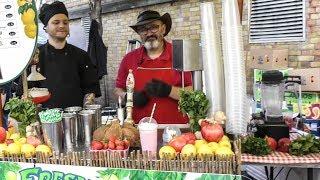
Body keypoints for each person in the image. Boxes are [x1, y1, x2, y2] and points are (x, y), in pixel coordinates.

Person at [115, 10, 192, 124]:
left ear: (163, 29)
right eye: (143, 29)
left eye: (154, 27)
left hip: (176, 130)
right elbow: (118, 90)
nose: (149, 33)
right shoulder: (129, 59)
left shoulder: (179, 54)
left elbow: (192, 93)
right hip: (138, 129)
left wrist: (169, 90)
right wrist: (128, 97)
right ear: (139, 34)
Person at [35, 1, 101, 108]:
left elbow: (90, 89)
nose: (62, 26)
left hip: (76, 119)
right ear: (46, 27)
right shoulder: (36, 57)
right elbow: (26, 92)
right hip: (45, 120)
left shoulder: (82, 56)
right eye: (56, 22)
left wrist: (87, 108)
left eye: (65, 22)